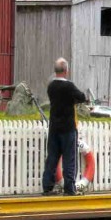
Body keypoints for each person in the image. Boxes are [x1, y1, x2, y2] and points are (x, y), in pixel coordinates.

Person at [42, 58, 87, 196]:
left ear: (55, 70)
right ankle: (69, 189)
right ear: (66, 70)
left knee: (52, 157)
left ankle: (47, 187)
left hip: (54, 127)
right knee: (69, 159)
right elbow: (82, 97)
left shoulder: (51, 86)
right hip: (68, 127)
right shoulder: (69, 86)